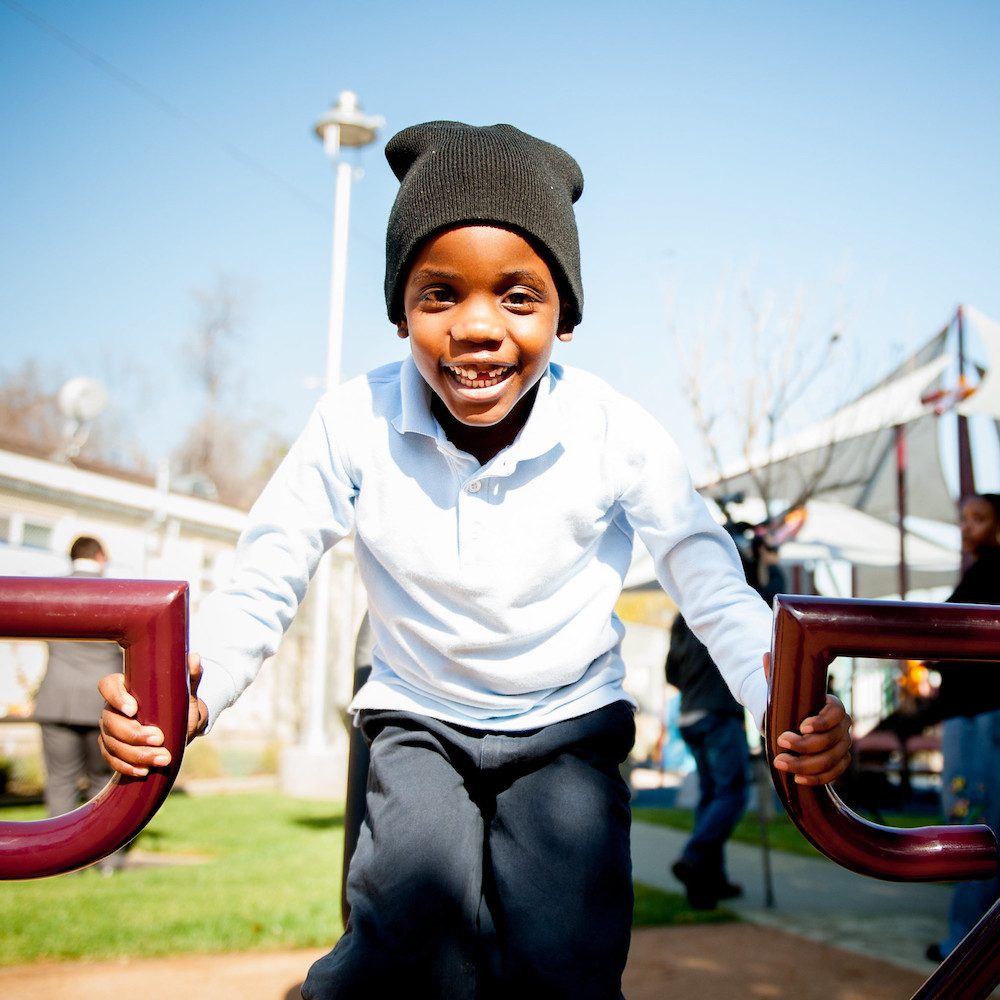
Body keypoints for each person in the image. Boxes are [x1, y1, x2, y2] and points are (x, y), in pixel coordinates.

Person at [98, 121, 852, 999]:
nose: (479, 327)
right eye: (440, 295)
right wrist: (197, 684)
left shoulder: (616, 433)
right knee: (404, 948)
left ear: (565, 316)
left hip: (568, 724)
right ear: (400, 311)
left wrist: (783, 700)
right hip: (419, 719)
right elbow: (271, 561)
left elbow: (708, 576)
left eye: (519, 297)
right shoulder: (355, 420)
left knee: (563, 965)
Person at [927, 493, 1000, 963]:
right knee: (969, 818)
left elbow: (946, 631)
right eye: (963, 520)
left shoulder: (992, 570)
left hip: (982, 714)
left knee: (976, 825)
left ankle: (966, 945)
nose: (967, 528)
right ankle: (969, 939)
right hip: (967, 712)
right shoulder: (977, 572)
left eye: (979, 519)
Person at [33, 535, 125, 874]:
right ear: (100, 556)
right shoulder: (118, 592)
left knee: (59, 780)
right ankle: (107, 860)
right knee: (104, 782)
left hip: (56, 697)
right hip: (104, 700)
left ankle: (62, 862)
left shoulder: (46, 590)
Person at [666, 613, 749, 909]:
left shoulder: (682, 613)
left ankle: (708, 882)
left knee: (712, 796)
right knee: (733, 793)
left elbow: (670, 673)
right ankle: (694, 857)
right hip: (718, 712)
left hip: (690, 714)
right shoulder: (724, 602)